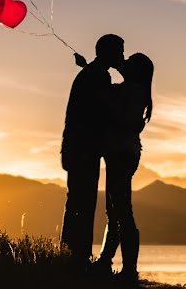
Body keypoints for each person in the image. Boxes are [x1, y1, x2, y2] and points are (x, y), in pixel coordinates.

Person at [60, 34, 125, 270]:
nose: (122, 56)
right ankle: (77, 258)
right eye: (120, 51)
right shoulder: (99, 75)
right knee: (82, 202)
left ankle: (71, 255)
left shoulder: (91, 73)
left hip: (78, 146)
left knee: (78, 200)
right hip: (84, 148)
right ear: (108, 52)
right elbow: (103, 109)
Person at [93, 52, 153, 284]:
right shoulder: (136, 90)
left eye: (129, 63)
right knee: (116, 210)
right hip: (124, 153)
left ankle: (128, 270)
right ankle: (106, 260)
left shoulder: (130, 90)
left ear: (136, 71)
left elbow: (114, 108)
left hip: (121, 154)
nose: (123, 63)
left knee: (122, 212)